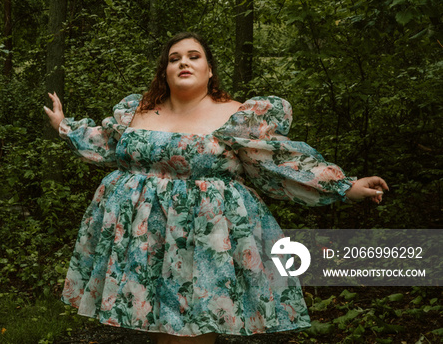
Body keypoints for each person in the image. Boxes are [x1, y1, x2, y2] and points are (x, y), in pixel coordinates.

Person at [44, 32, 388, 344]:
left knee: (192, 326)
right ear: (164, 71)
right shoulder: (137, 112)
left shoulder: (236, 116)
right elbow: (104, 144)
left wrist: (345, 186)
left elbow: (280, 161)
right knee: (163, 324)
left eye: (194, 56)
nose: (183, 62)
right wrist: (65, 126)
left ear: (210, 70)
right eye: (174, 58)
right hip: (143, 235)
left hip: (205, 236)